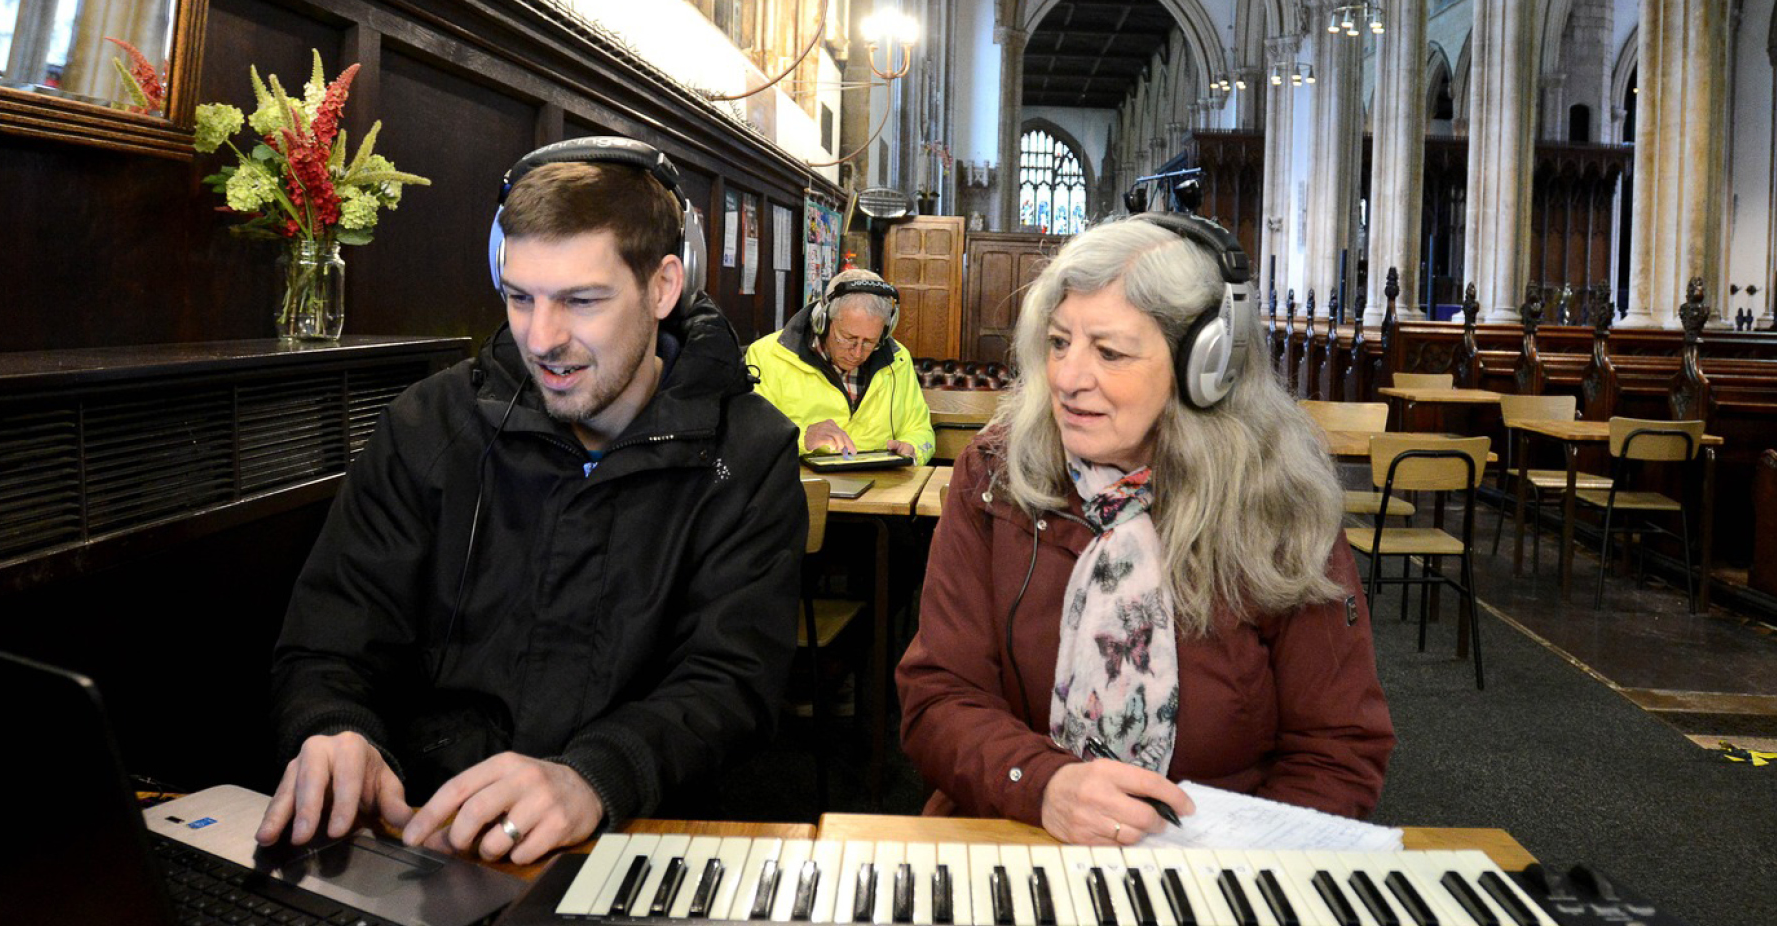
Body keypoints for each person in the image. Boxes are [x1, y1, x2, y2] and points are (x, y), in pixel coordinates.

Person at [257, 137, 804, 864]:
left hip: (627, 843)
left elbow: (728, 683)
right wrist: (333, 727)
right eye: (520, 297)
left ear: (664, 287)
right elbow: (333, 634)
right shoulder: (428, 424)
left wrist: (595, 775)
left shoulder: (749, 452)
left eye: (581, 301)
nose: (541, 338)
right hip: (421, 837)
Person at [894, 214, 1395, 846]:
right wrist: (1042, 785)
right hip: (1011, 831)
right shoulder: (995, 476)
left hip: (1214, 874)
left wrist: (1235, 870)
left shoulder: (1277, 500)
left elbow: (1336, 749)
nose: (1068, 378)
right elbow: (939, 696)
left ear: (1204, 368)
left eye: (1109, 351)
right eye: (1057, 342)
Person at [746, 268, 936, 463]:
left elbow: (921, 430)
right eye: (848, 338)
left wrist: (914, 448)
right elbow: (749, 436)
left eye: (870, 342)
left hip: (883, 486)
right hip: (802, 488)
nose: (857, 353)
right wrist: (803, 438)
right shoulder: (767, 356)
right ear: (823, 321)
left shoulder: (898, 359)